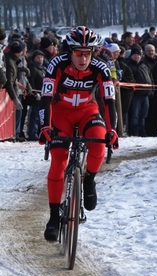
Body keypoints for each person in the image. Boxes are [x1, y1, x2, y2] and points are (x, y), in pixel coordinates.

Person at [39, 26, 118, 242]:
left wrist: (112, 130)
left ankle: (89, 179)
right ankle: (54, 217)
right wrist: (44, 126)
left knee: (99, 142)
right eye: (78, 53)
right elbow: (45, 97)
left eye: (88, 53)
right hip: (61, 113)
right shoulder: (57, 64)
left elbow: (109, 101)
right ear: (70, 51)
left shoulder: (100, 68)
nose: (83, 58)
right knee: (57, 161)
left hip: (87, 111)